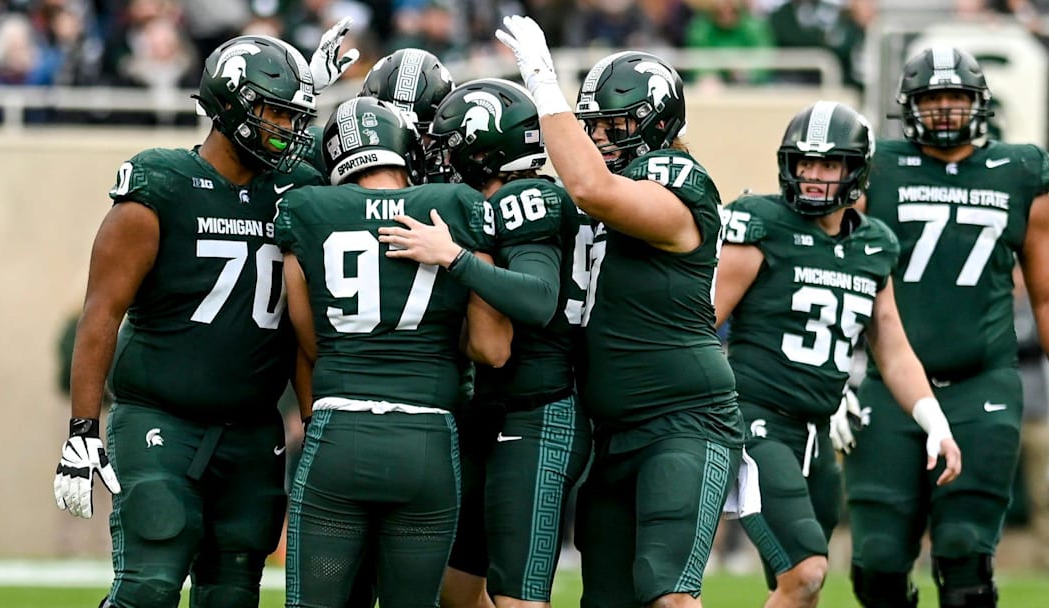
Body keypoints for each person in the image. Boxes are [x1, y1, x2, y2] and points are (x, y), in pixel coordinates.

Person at [50, 29, 353, 607]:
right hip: (162, 418)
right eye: (275, 114)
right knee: (150, 583)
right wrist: (82, 430)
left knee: (233, 593)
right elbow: (101, 312)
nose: (289, 131)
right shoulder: (162, 184)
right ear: (232, 109)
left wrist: (314, 420)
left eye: (294, 117)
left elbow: (299, 330)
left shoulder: (295, 189)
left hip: (252, 427)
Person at [496, 17, 744, 608]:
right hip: (612, 431)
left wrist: (542, 81)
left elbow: (590, 187)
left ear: (656, 122)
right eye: (595, 127)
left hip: (685, 420)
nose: (602, 137)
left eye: (615, 125)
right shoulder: (603, 188)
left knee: (668, 596)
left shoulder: (681, 181)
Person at [713, 100, 962, 608]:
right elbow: (698, 322)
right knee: (805, 572)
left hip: (817, 433)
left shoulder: (874, 244)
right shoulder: (759, 223)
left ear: (857, 170)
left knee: (801, 588)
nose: (813, 175)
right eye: (805, 162)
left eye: (829, 164)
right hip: (756, 421)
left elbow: (892, 350)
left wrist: (935, 421)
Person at [277, 95, 508, 608]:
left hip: (340, 434)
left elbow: (310, 338)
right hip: (426, 440)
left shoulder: (307, 209)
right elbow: (491, 345)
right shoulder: (454, 205)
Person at [845, 45, 1049, 608]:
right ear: (909, 106)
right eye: (932, 99)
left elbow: (1047, 295)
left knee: (964, 552)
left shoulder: (1020, 171)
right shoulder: (874, 166)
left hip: (981, 382)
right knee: (879, 560)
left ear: (979, 102)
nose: (943, 110)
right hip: (888, 386)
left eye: (955, 97)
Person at [382, 77, 593, 608]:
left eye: (448, 144)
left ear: (479, 147)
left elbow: (538, 298)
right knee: (456, 591)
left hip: (540, 411)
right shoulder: (504, 200)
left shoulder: (525, 196)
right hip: (498, 411)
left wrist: (453, 256)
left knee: (518, 599)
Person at [304, 46, 454, 177]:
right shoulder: (323, 148)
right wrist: (305, 93)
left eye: (417, 133)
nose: (401, 145)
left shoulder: (455, 180)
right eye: (389, 129)